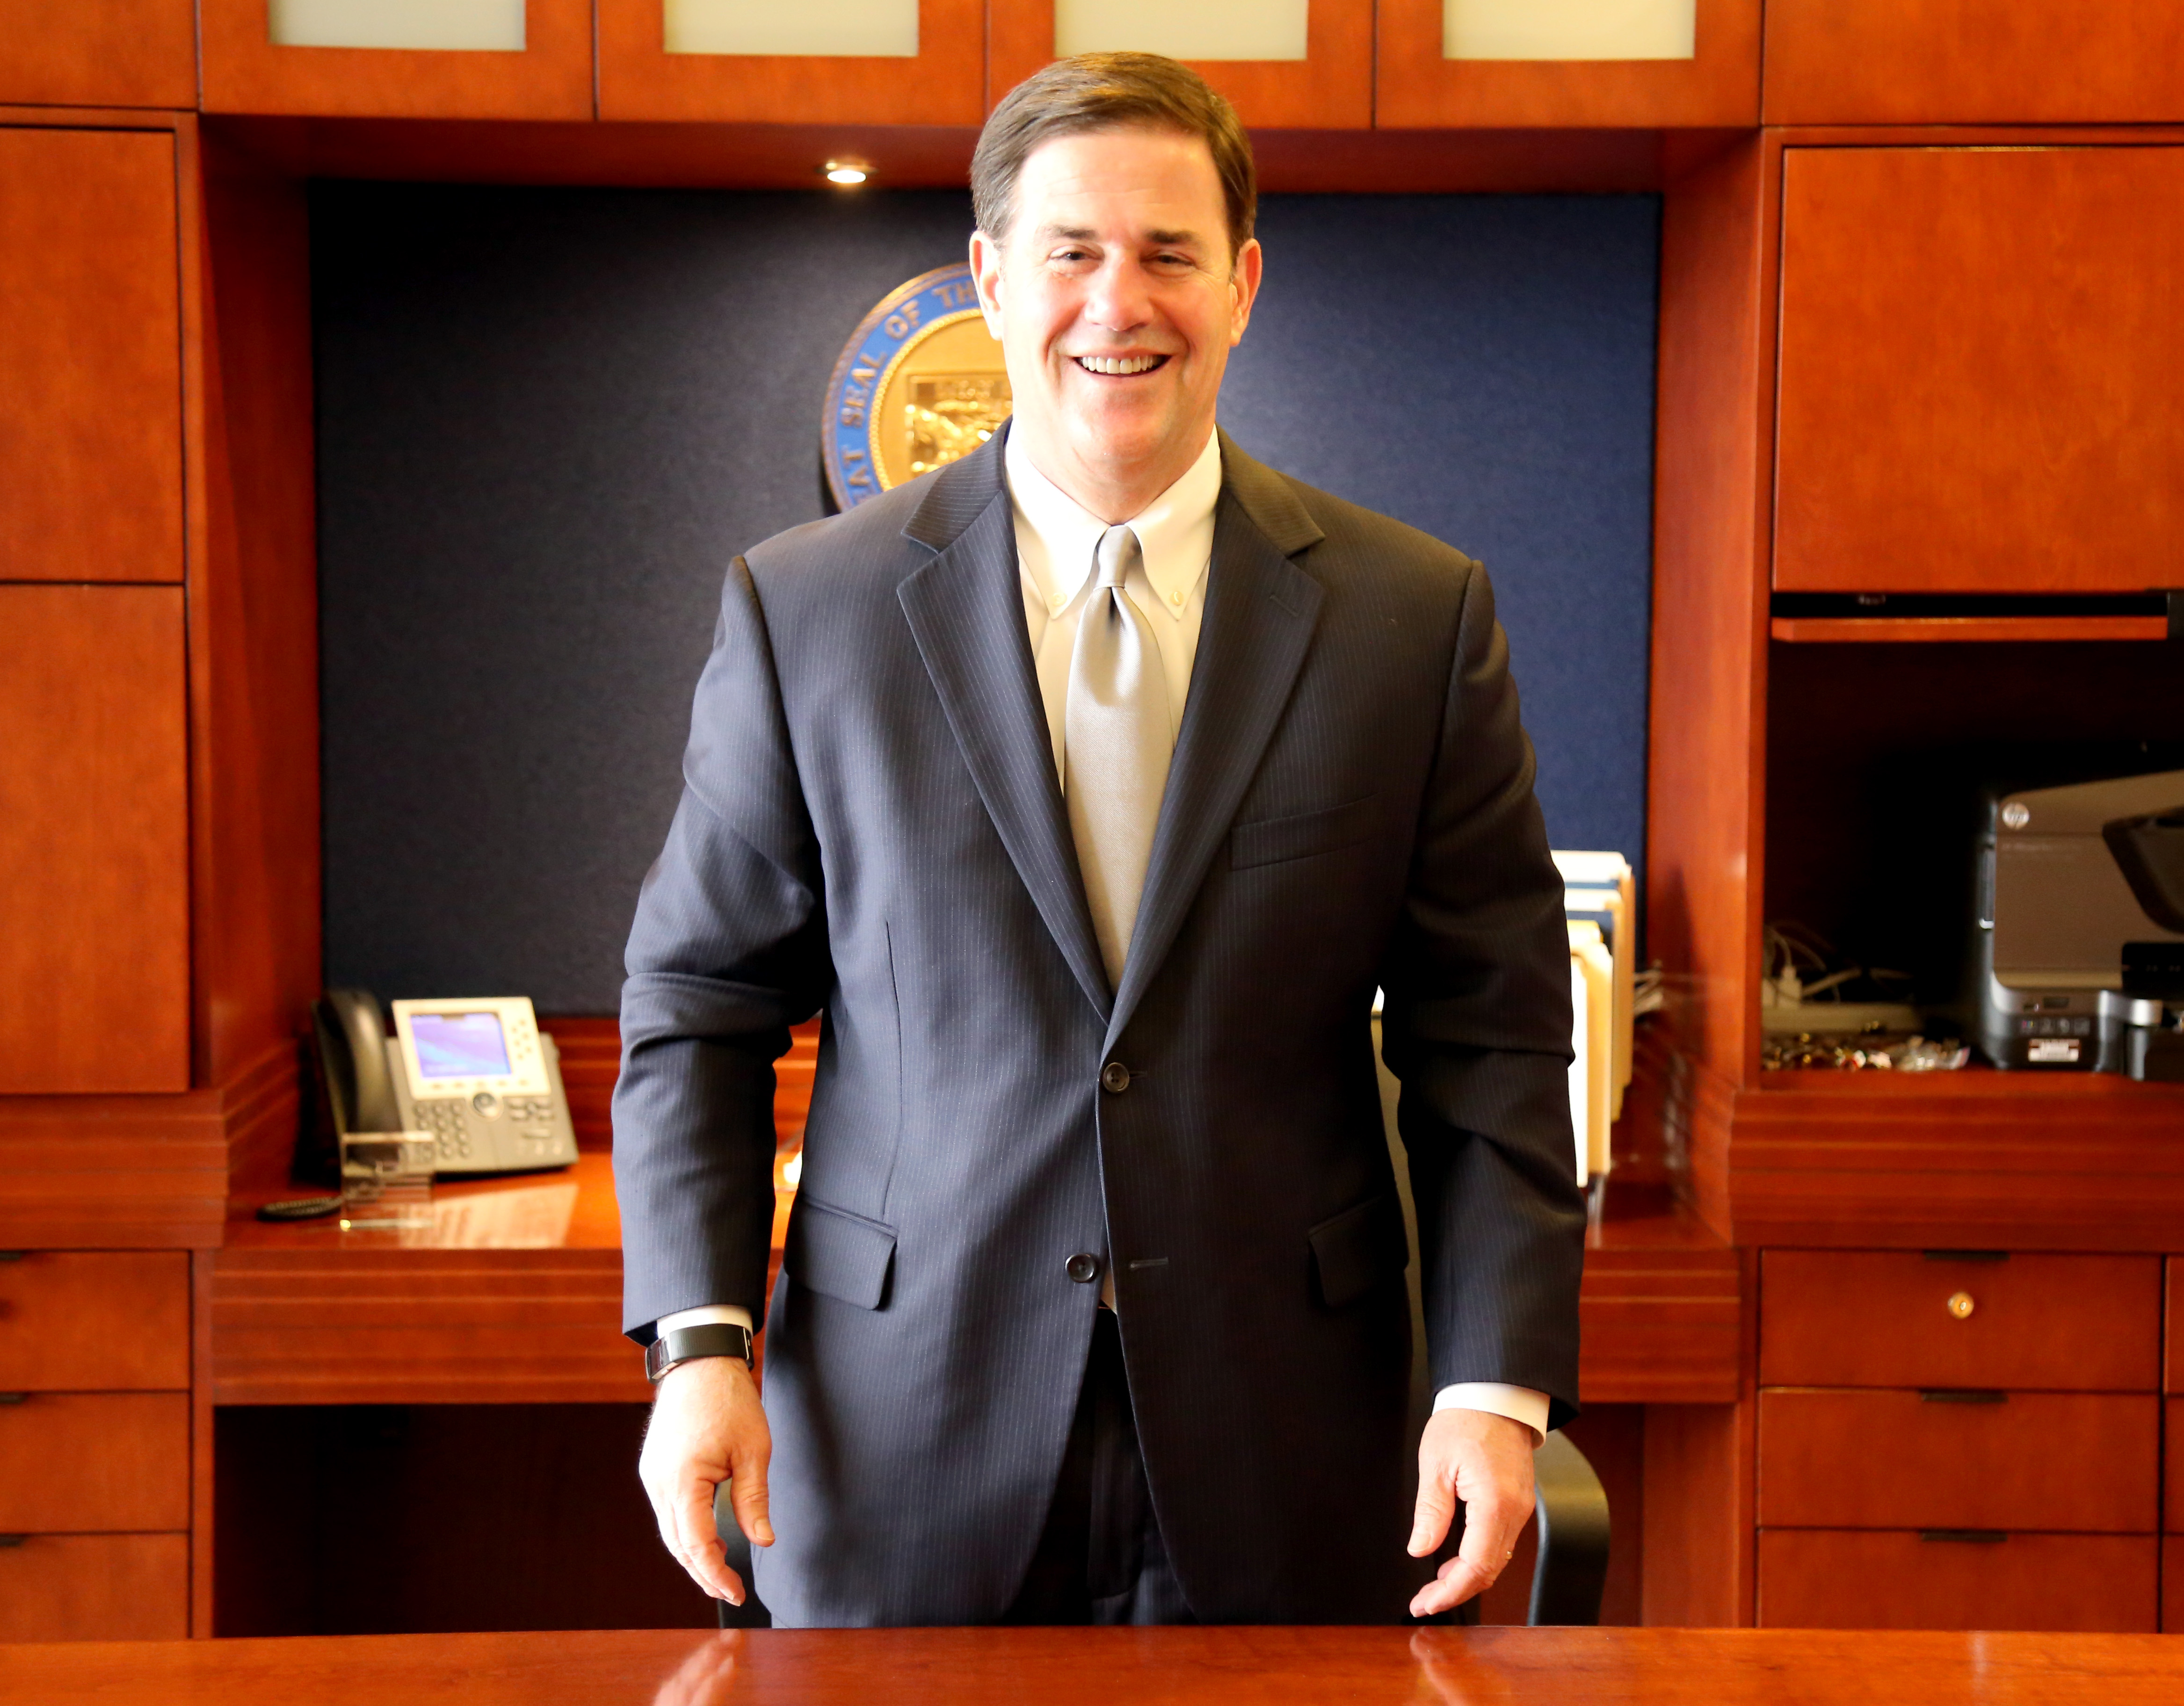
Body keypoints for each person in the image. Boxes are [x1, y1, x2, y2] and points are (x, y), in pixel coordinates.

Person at [614, 51, 1583, 1628]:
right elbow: (699, 1008)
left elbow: (1498, 1033)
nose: (1116, 302)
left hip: (1292, 1433)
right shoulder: (809, 612)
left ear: (1245, 283)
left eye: (1169, 253)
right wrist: (702, 1343)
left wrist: (1496, 1380)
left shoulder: (1416, 619)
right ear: (993, 280)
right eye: (1070, 252)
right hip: (894, 1423)